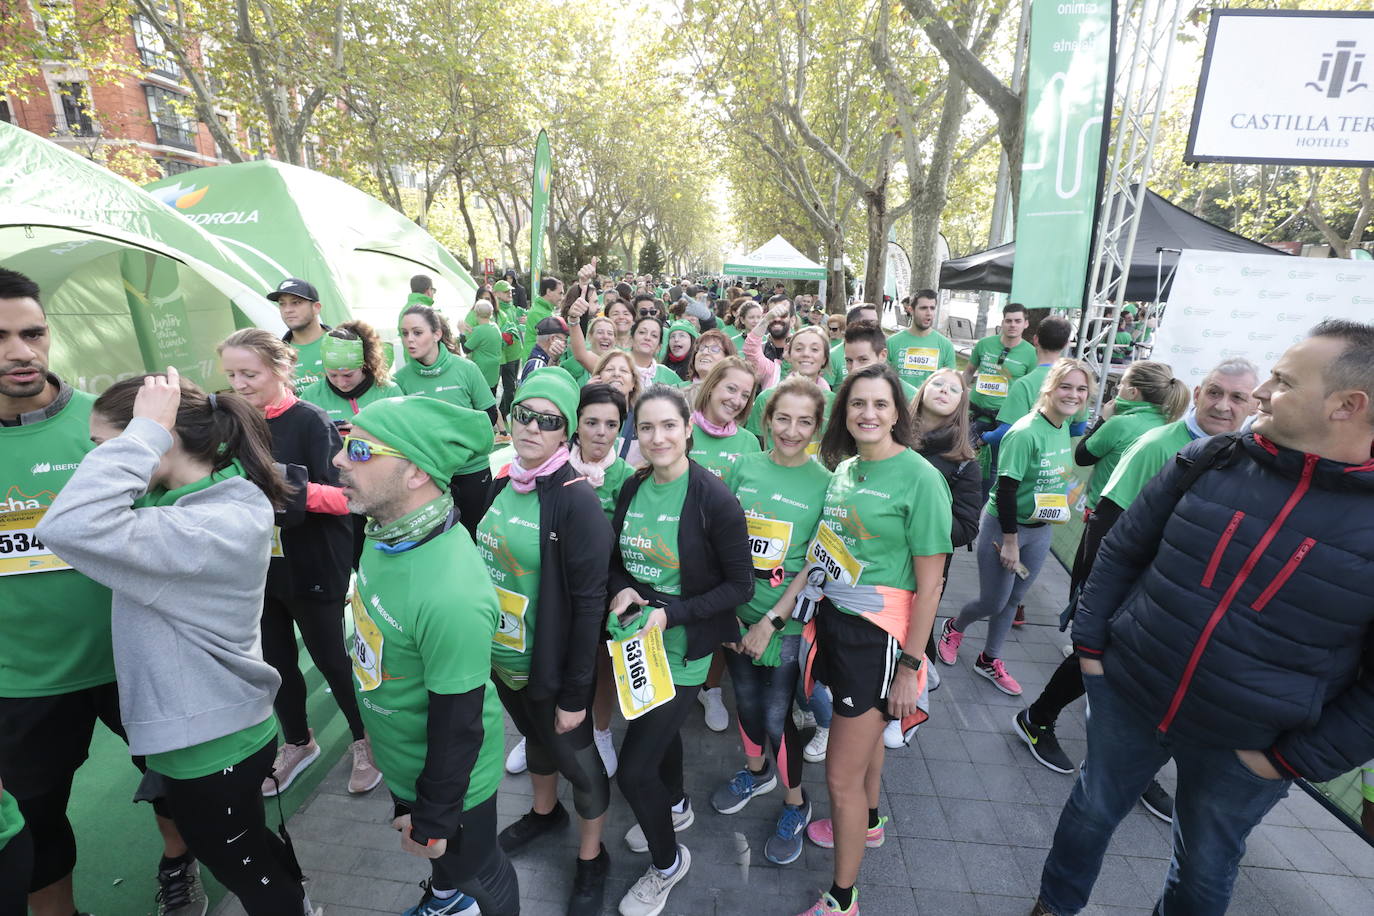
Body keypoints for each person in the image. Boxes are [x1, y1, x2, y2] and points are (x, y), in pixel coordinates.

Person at [1034, 322, 1374, 915]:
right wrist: (1092, 649)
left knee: (1203, 871)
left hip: (1248, 747)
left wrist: (1291, 760)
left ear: (1347, 406)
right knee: (1088, 814)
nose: (1264, 390)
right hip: (1130, 696)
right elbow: (1121, 550)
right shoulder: (1208, 460)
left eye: (1284, 381)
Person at [36, 369, 316, 916]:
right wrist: (148, 439)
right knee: (249, 851)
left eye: (101, 449)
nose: (94, 461)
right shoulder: (199, 498)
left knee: (245, 869)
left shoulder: (207, 526)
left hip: (212, 745)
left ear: (157, 441)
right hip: (211, 729)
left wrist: (144, 434)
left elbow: (67, 524)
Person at [0, 269, 202, 916]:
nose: (20, 352)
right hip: (22, 681)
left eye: (33, 333)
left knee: (175, 787)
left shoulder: (111, 423)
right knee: (36, 824)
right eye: (0, 337)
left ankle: (179, 866)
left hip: (134, 660)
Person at [1014, 358, 1258, 818]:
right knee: (1099, 653)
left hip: (1182, 593)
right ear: (1199, 390)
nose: (1224, 406)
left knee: (1153, 674)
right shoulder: (1160, 444)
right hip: (1136, 583)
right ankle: (1038, 718)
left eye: (1238, 398)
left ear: (1252, 403)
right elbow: (1110, 519)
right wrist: (1093, 597)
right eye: (1215, 393)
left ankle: (1135, 765)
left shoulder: (1238, 452)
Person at [334, 396, 517, 916]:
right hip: (402, 759)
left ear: (415, 472)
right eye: (347, 444)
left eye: (362, 450)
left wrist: (436, 818)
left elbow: (459, 724)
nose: (341, 460)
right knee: (445, 871)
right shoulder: (384, 531)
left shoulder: (451, 591)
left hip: (449, 783)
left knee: (477, 871)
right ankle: (443, 898)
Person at [791, 363, 952, 916]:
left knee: (839, 778)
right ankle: (873, 822)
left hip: (879, 639)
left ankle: (842, 900)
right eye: (857, 404)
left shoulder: (921, 478)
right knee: (859, 759)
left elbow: (932, 585)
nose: (868, 414)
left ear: (898, 413)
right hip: (836, 625)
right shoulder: (846, 469)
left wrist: (911, 665)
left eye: (880, 404)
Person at [608, 384, 753, 916]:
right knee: (660, 743)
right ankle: (675, 807)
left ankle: (669, 864)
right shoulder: (632, 487)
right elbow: (619, 558)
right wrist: (621, 588)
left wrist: (670, 613)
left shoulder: (713, 497)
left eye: (668, 425)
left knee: (632, 770)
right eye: (645, 427)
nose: (657, 437)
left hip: (683, 651)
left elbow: (740, 587)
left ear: (688, 429)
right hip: (636, 645)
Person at [477, 368, 615, 915]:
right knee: (534, 737)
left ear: (567, 435)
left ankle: (591, 857)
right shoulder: (500, 480)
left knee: (579, 764)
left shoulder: (575, 502)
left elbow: (588, 609)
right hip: (504, 658)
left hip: (550, 664)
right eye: (522, 415)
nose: (531, 427)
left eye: (548, 420)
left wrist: (576, 694)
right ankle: (542, 814)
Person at [217, 329, 380, 796]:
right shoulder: (231, 422)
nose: (240, 384)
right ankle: (296, 742)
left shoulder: (310, 420)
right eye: (231, 374)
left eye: (250, 373)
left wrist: (283, 491)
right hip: (257, 567)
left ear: (281, 368)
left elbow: (347, 496)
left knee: (332, 657)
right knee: (274, 660)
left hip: (313, 562)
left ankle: (365, 739)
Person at [713, 376, 832, 865]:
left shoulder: (825, 482)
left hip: (780, 626)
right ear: (766, 420)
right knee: (744, 701)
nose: (791, 429)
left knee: (777, 716)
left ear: (817, 427)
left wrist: (771, 623)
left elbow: (813, 564)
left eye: (804, 421)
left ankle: (796, 802)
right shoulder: (742, 466)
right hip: (732, 615)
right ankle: (756, 771)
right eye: (783, 418)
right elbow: (720, 538)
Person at [937, 359, 1094, 696]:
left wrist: (1064, 499)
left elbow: (1056, 476)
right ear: (1050, 388)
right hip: (1006, 529)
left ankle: (989, 659)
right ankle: (954, 626)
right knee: (994, 601)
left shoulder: (1061, 427)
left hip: (1040, 531)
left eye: (1081, 389)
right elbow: (1006, 490)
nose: (1074, 394)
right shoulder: (1025, 432)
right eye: (1066, 386)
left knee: (1015, 599)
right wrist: (1010, 542)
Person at [892, 368, 981, 747]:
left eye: (954, 389)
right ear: (923, 390)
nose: (944, 391)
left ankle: (909, 704)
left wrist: (919, 526)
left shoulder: (964, 463)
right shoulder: (889, 437)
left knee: (914, 627)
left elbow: (967, 527)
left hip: (924, 568)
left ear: (962, 403)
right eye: (938, 384)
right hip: (877, 559)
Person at [393, 302, 500, 538]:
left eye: (417, 332)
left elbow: (489, 415)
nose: (409, 339)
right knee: (438, 540)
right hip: (430, 476)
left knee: (475, 537)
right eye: (405, 333)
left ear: (437, 334)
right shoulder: (400, 381)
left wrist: (457, 445)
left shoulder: (466, 369)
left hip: (472, 471)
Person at [299, 321, 402, 428]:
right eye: (333, 375)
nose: (341, 383)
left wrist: (362, 432)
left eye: (348, 375)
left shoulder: (389, 392)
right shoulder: (311, 396)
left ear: (363, 365)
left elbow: (403, 436)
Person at [963, 302, 1036, 441]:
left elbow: (1031, 389)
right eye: (1008, 321)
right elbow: (968, 372)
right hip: (973, 413)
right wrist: (959, 394)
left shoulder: (1031, 353)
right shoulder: (984, 344)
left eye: (1017, 321)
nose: (1012, 325)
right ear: (1002, 322)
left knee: (995, 462)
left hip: (1004, 420)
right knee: (962, 458)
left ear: (1026, 324)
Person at [689, 356, 761, 479]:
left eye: (745, 395)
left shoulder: (749, 442)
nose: (736, 401)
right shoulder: (680, 430)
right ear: (712, 385)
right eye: (731, 389)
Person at [885, 288, 957, 389]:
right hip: (899, 403)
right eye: (923, 308)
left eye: (932, 308)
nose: (929, 313)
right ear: (911, 310)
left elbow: (950, 383)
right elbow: (884, 379)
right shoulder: (892, 343)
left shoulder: (946, 345)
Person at [268, 277, 330, 391]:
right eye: (282, 304)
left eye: (296, 302)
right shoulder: (276, 355)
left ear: (316, 308)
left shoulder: (342, 343)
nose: (287, 310)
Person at [590, 349, 645, 465]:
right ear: (598, 378)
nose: (616, 374)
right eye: (609, 369)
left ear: (633, 384)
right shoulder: (584, 416)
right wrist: (587, 396)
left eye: (624, 371)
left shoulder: (642, 420)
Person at [843, 321, 917, 404]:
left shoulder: (911, 398)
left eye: (863, 360)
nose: (854, 368)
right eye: (849, 361)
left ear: (882, 356)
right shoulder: (845, 393)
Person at [493, 280, 526, 423]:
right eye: (506, 291)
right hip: (501, 355)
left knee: (511, 384)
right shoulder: (496, 311)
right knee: (507, 386)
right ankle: (509, 416)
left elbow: (517, 325)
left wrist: (522, 322)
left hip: (514, 352)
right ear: (497, 294)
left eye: (510, 291)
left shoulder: (512, 308)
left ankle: (503, 412)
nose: (510, 294)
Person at [825, 304, 877, 391]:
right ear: (851, 324)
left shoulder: (879, 353)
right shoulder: (833, 355)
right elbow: (827, 393)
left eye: (876, 323)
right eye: (870, 322)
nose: (875, 327)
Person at [680, 328, 737, 401]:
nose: (705, 352)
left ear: (727, 358)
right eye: (701, 348)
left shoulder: (730, 397)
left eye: (714, 349)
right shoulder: (677, 389)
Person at [627, 316, 681, 391]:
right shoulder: (616, 368)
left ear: (659, 347)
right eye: (642, 332)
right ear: (631, 339)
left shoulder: (669, 376)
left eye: (654, 335)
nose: (647, 338)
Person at [463, 301, 505, 398]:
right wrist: (473, 332)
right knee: (492, 397)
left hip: (482, 368)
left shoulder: (479, 331)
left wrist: (462, 333)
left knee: (481, 398)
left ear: (476, 313)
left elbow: (466, 349)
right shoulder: (495, 326)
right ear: (491, 313)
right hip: (494, 367)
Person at [523, 275, 565, 361]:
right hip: (535, 359)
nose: (562, 298)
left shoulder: (543, 309)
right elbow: (555, 337)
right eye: (560, 293)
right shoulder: (539, 312)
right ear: (549, 292)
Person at [520, 315, 570, 384]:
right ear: (553, 339)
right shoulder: (538, 365)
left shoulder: (541, 360)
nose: (565, 345)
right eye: (565, 340)